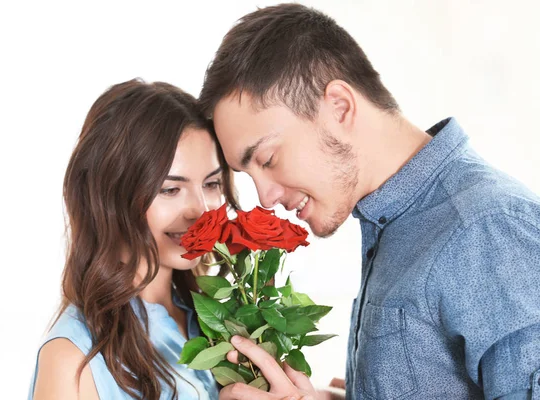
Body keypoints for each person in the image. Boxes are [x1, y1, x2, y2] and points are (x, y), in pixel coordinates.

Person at [198, 3, 540, 399]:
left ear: (339, 106)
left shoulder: (488, 227)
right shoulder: (395, 223)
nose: (266, 197)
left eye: (268, 159)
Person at [28, 79, 239, 400]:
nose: (202, 210)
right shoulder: (72, 361)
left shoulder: (212, 324)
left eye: (211, 184)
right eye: (170, 189)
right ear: (110, 196)